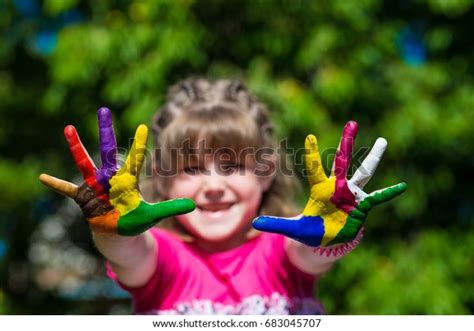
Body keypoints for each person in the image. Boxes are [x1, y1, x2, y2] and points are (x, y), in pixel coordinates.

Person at [39, 77, 406, 315]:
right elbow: (131, 253)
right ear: (164, 186)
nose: (213, 185)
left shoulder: (281, 251)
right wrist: (111, 228)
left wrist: (333, 230)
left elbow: (310, 250)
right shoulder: (166, 259)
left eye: (232, 167)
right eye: (193, 169)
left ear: (265, 176)